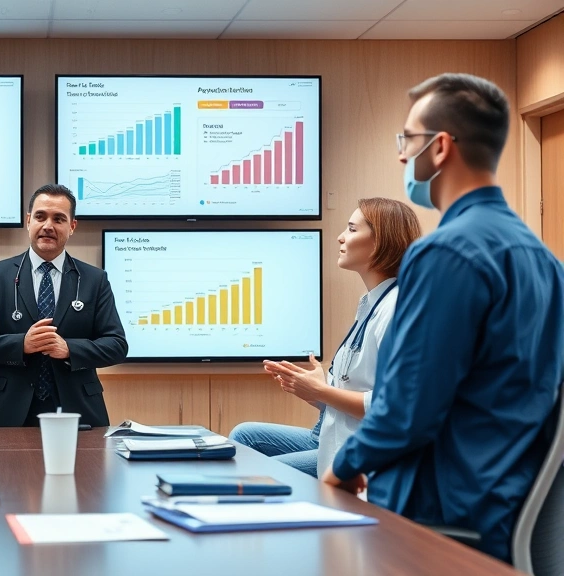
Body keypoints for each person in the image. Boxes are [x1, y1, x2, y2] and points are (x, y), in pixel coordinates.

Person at [324, 73, 564, 563]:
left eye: (406, 140)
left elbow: (406, 404)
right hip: (503, 501)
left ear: (440, 147)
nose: (400, 156)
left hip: (440, 514)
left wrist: (342, 470)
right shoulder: (544, 260)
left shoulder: (446, 254)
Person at [228, 198, 421, 477]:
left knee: (264, 475)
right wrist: (312, 388)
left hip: (360, 451)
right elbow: (355, 387)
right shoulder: (371, 305)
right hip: (335, 433)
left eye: (352, 230)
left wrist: (321, 391)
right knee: (244, 435)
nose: (341, 237)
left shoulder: (396, 310)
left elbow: (391, 408)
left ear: (381, 242)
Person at [0, 184, 127, 427]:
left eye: (59, 219)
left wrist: (69, 349)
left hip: (78, 409)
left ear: (72, 227)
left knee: (85, 467)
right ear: (28, 221)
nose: (48, 225)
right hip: (8, 411)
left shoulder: (94, 279)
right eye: (40, 216)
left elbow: (116, 345)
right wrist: (21, 345)